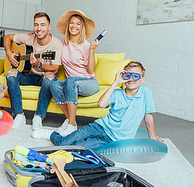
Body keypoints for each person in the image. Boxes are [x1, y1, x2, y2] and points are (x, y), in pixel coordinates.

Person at [32, 61, 164, 150]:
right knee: (63, 143)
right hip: (100, 126)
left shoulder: (145, 92)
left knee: (74, 148)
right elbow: (101, 104)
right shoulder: (117, 92)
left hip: (111, 139)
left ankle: (64, 138)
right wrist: (115, 83)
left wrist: (152, 137)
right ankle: (51, 135)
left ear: (142, 79)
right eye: (127, 75)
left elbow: (148, 116)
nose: (131, 79)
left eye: (135, 76)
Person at [3, 12, 63, 129]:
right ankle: (19, 115)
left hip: (44, 79)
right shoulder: (29, 38)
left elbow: (55, 68)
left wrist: (39, 65)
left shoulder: (57, 44)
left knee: (50, 76)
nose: (39, 28)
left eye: (42, 25)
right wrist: (9, 53)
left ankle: (38, 117)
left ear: (49, 27)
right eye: (36, 25)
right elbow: (7, 37)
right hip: (29, 75)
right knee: (11, 73)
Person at [50, 10, 100, 136]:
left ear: (81, 27)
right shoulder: (62, 43)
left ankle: (72, 125)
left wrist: (92, 50)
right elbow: (49, 43)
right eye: (71, 23)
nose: (74, 26)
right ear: (68, 26)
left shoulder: (86, 45)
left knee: (70, 80)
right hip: (71, 84)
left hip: (89, 83)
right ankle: (69, 120)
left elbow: (90, 70)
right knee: (54, 85)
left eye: (78, 24)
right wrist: (34, 35)